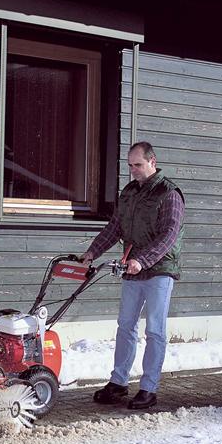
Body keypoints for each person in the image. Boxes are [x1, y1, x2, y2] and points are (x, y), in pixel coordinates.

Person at [79, 142, 184, 410]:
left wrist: (143, 260)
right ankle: (118, 382)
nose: (133, 170)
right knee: (125, 325)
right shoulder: (129, 192)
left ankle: (149, 388)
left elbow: (169, 236)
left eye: (138, 165)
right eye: (130, 165)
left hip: (160, 270)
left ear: (152, 161)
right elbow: (115, 227)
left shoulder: (168, 193)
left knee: (154, 329)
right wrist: (92, 252)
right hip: (132, 267)